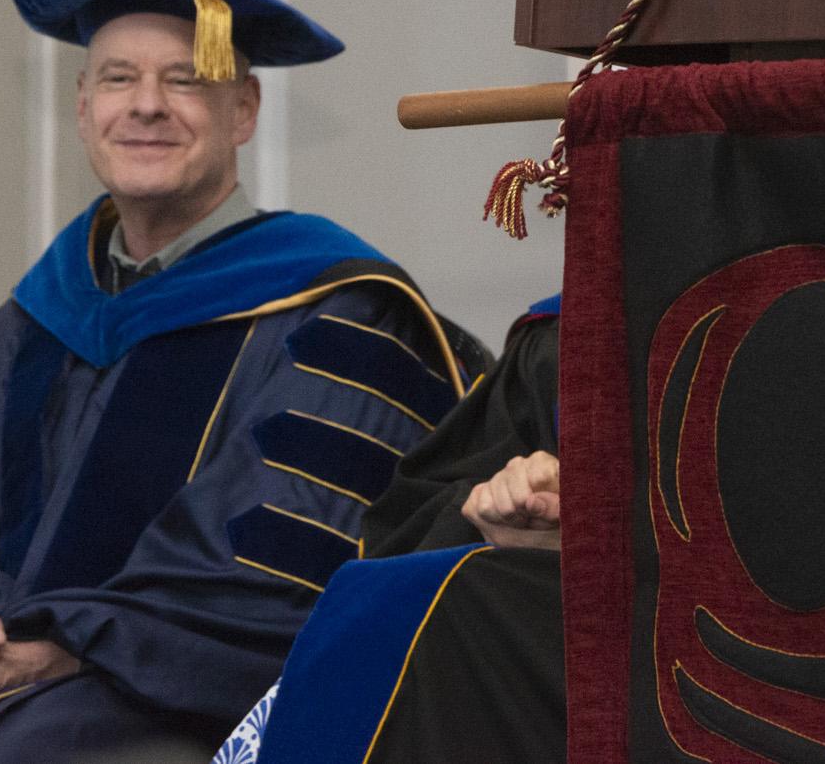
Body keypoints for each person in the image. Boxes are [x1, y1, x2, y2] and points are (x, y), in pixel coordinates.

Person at [0, 0, 477, 764]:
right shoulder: (23, 328)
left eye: (186, 81)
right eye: (120, 79)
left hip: (189, 699)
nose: (148, 105)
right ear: (85, 107)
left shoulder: (341, 318)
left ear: (243, 111)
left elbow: (280, 580)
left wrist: (53, 649)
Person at [212, 299, 562, 764]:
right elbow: (413, 522)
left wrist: (597, 534)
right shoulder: (565, 337)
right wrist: (490, 512)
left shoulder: (356, 302)